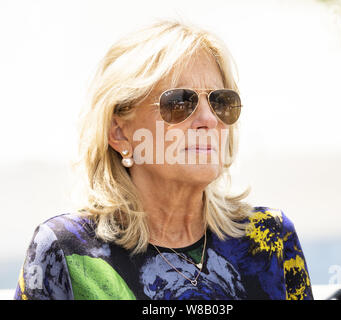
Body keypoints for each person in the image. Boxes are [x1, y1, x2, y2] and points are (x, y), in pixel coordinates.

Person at [14, 20, 313, 300]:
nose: (209, 119)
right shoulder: (64, 251)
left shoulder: (270, 238)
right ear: (119, 133)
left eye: (220, 101)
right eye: (181, 102)